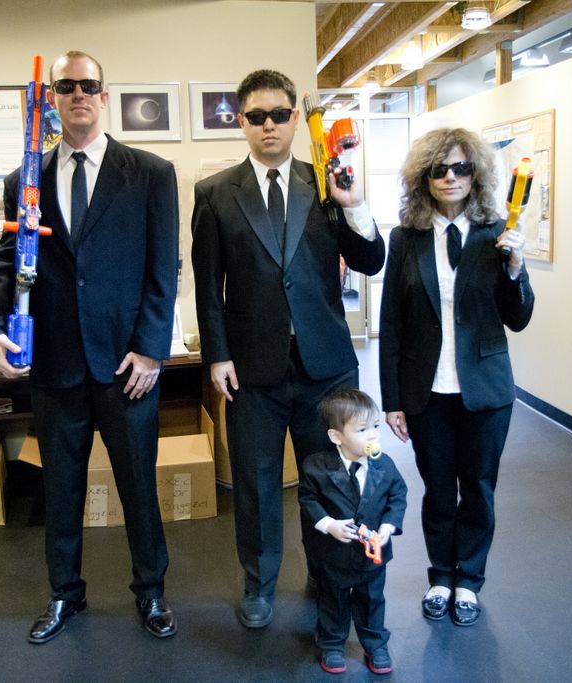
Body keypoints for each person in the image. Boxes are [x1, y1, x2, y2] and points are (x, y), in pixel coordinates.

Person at [0, 50, 179, 644]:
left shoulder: (150, 173)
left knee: (138, 487)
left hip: (126, 366)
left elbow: (163, 269)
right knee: (60, 491)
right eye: (65, 86)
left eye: (88, 85)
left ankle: (151, 592)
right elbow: (7, 263)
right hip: (55, 365)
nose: (78, 95)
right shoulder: (25, 180)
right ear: (52, 98)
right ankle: (65, 594)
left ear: (104, 95)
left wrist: (152, 349)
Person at [191, 69, 385, 629]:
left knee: (328, 480)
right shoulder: (215, 193)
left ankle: (327, 573)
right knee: (255, 483)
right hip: (252, 369)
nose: (269, 125)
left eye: (279, 114)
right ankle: (259, 584)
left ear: (296, 118)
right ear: (241, 122)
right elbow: (207, 284)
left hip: (326, 367)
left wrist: (353, 204)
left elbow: (371, 261)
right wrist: (217, 354)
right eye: (257, 117)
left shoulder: (325, 182)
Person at [379, 127, 534, 627]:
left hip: (485, 390)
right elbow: (391, 322)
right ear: (423, 178)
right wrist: (392, 399)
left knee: (479, 490)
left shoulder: (497, 234)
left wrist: (515, 269)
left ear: (477, 175)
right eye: (439, 169)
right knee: (439, 491)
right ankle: (441, 576)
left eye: (461, 168)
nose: (450, 177)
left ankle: (469, 580)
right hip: (427, 391)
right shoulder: (406, 238)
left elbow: (518, 318)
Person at [298, 389, 407, 675]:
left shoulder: (384, 464)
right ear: (336, 436)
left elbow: (398, 496)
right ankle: (332, 643)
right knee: (332, 599)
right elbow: (308, 499)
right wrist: (329, 525)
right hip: (334, 553)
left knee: (372, 600)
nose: (373, 435)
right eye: (362, 430)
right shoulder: (316, 467)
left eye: (375, 426)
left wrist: (387, 527)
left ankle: (375, 643)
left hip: (372, 555)